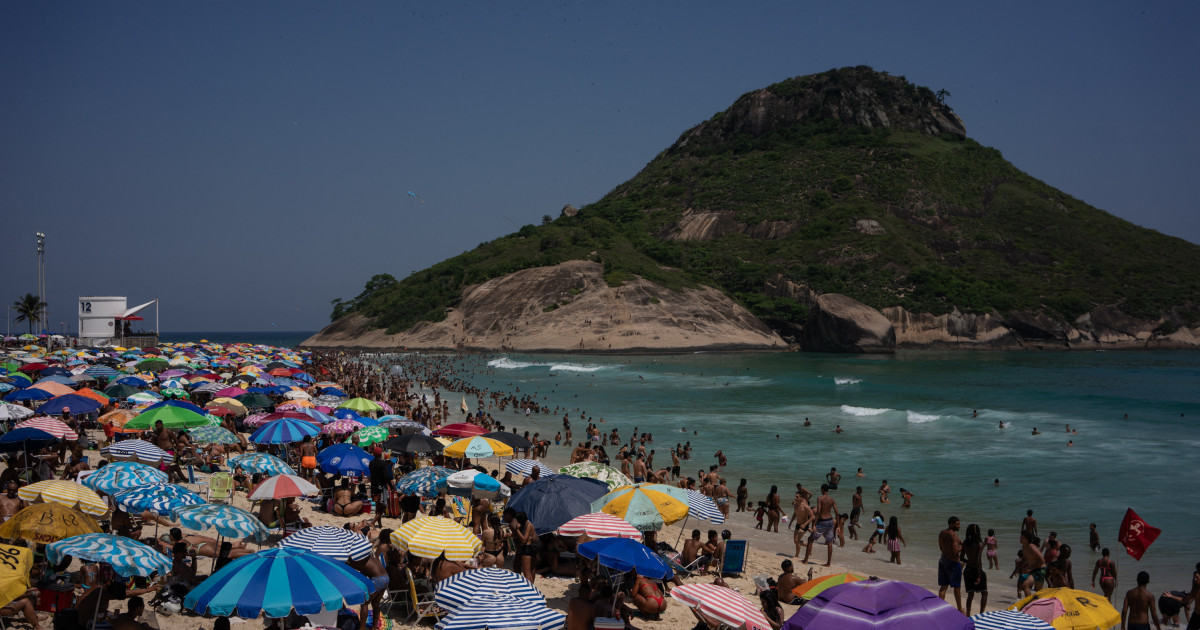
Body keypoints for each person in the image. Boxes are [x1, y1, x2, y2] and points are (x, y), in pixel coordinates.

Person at [802, 484, 837, 567]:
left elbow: (818, 512)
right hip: (830, 521)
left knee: (810, 539)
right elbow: (837, 513)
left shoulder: (820, 498)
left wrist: (814, 524)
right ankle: (828, 563)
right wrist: (838, 525)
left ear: (822, 489)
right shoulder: (832, 500)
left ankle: (806, 560)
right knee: (829, 542)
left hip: (822, 522)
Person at [938, 516, 964, 613]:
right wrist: (962, 546)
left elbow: (941, 547)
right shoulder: (953, 535)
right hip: (953, 562)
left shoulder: (942, 533)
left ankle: (939, 607)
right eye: (957, 524)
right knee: (957, 588)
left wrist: (960, 542)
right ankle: (960, 609)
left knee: (943, 586)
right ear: (951, 524)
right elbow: (955, 551)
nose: (959, 526)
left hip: (943, 560)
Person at [961, 523, 987, 615]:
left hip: (968, 570)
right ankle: (981, 614)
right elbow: (978, 560)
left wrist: (969, 562)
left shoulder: (965, 543)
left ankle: (968, 614)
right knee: (984, 592)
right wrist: (979, 576)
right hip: (977, 570)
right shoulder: (980, 544)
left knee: (970, 594)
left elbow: (961, 558)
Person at [368, 450, 394, 527]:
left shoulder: (371, 463)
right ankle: (373, 522)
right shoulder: (382, 463)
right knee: (384, 506)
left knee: (377, 505)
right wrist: (391, 486)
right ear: (380, 455)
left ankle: (379, 524)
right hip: (381, 486)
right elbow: (386, 477)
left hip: (374, 486)